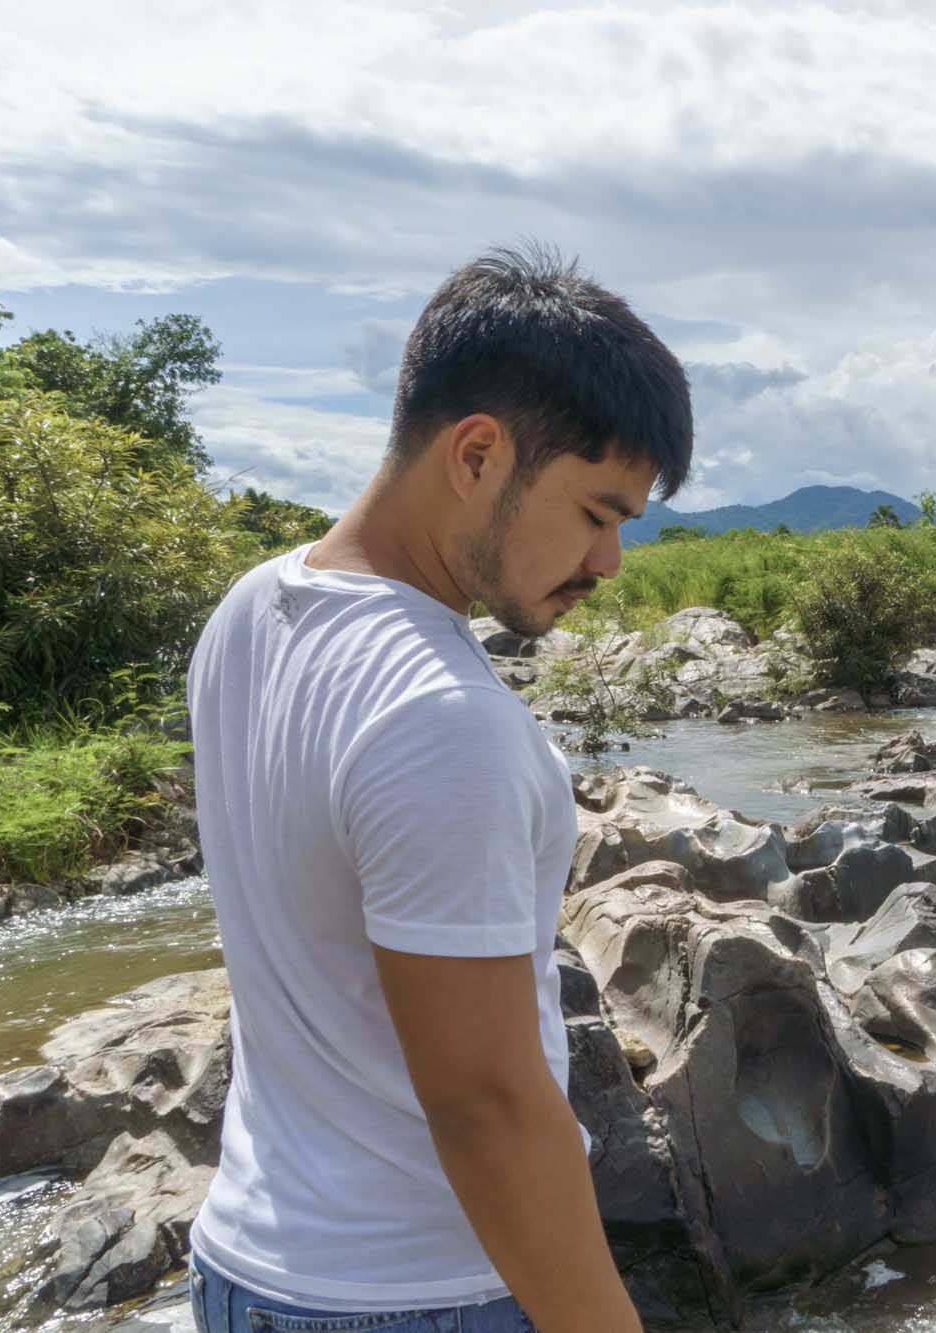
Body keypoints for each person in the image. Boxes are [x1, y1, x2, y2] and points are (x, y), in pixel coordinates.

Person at [184, 245, 691, 1332]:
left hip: (243, 1265)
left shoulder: (250, 609)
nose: (608, 564)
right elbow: (487, 1106)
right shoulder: (440, 717)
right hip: (413, 1295)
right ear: (476, 454)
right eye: (598, 513)